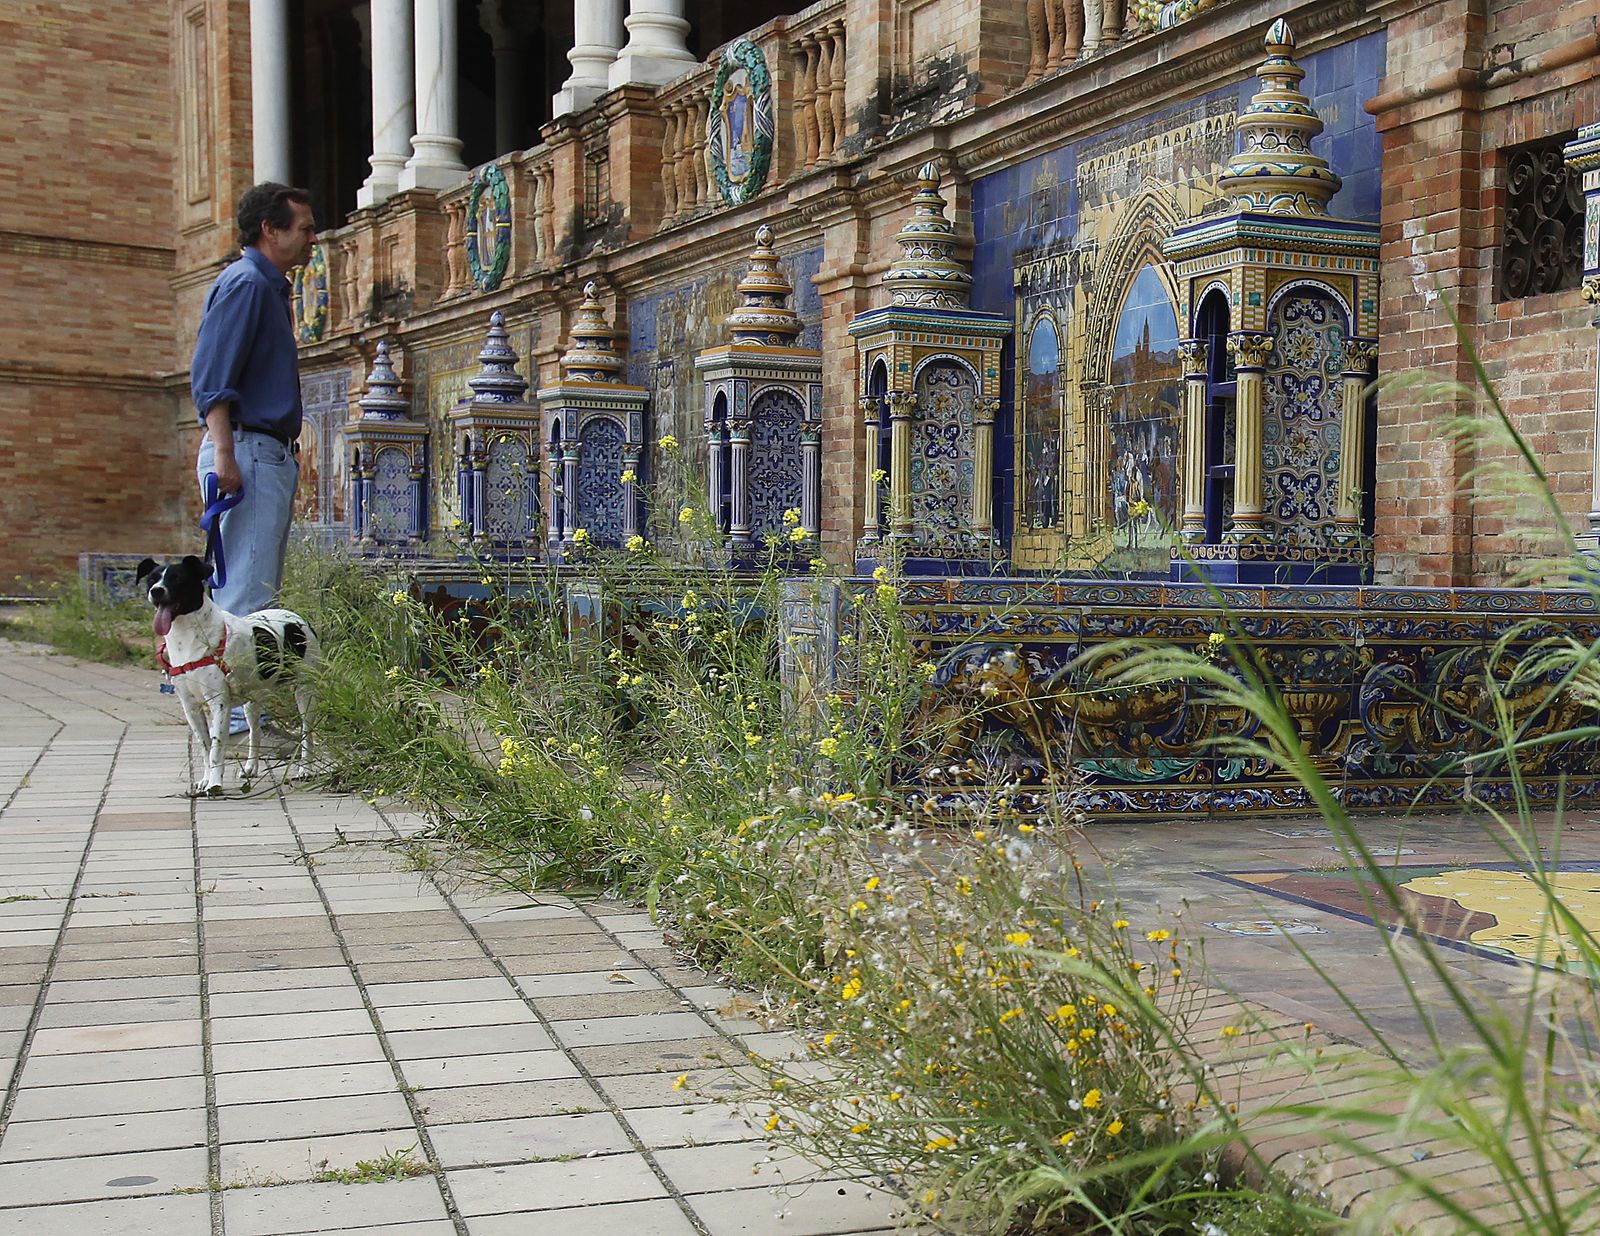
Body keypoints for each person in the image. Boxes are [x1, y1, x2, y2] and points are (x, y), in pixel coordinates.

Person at [190, 183, 316, 730]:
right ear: (271, 229)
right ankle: (238, 719)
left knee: (249, 582)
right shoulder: (246, 285)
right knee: (248, 588)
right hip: (244, 447)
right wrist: (225, 454)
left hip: (256, 449)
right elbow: (213, 380)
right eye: (305, 227)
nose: (314, 237)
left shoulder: (267, 287)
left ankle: (238, 713)